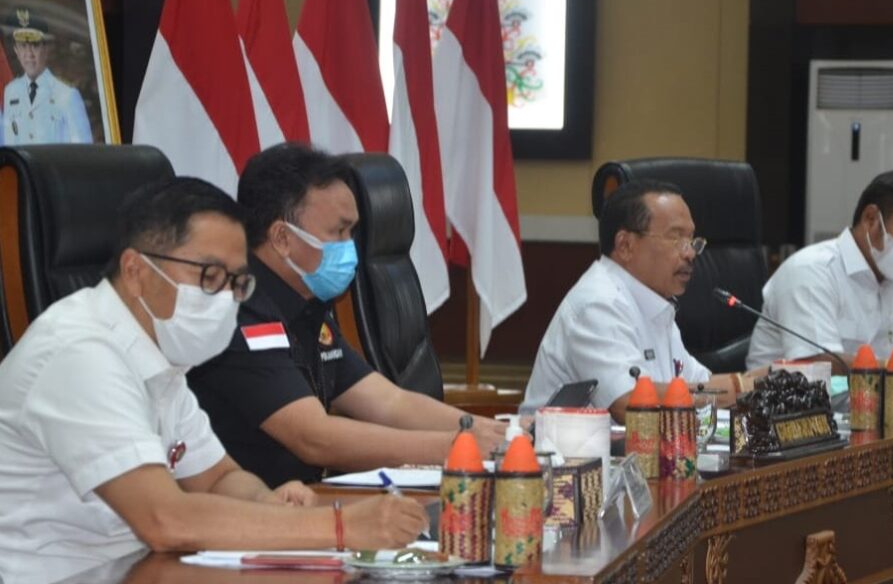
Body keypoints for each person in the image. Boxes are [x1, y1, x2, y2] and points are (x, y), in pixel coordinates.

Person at [0, 177, 426, 584]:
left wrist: (266, 502)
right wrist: (337, 526)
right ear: (135, 271)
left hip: (145, 568)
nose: (224, 298)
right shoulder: (79, 355)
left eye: (236, 282)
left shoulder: (160, 354)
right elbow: (165, 520)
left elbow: (217, 478)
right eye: (209, 276)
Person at [188, 143, 505, 488]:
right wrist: (456, 446)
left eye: (352, 233)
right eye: (338, 232)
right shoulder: (242, 310)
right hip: (248, 514)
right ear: (282, 238)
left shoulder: (307, 306)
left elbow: (389, 402)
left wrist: (485, 431)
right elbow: (315, 438)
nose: (350, 246)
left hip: (305, 503)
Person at [522, 179, 761, 423]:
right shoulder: (598, 303)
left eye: (692, 241)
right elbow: (629, 402)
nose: (690, 253)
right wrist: (741, 386)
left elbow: (699, 384)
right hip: (558, 457)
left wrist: (763, 381)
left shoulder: (655, 303)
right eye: (676, 238)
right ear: (625, 245)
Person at [746, 169, 893, 371]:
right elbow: (818, 364)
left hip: (867, 407)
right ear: (871, 219)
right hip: (786, 406)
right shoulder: (811, 272)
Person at [2, 7, 93, 145]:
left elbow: (82, 155)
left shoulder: (67, 95)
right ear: (16, 50)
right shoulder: (10, 91)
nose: (29, 54)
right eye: (23, 46)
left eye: (35, 45)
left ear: (45, 49)